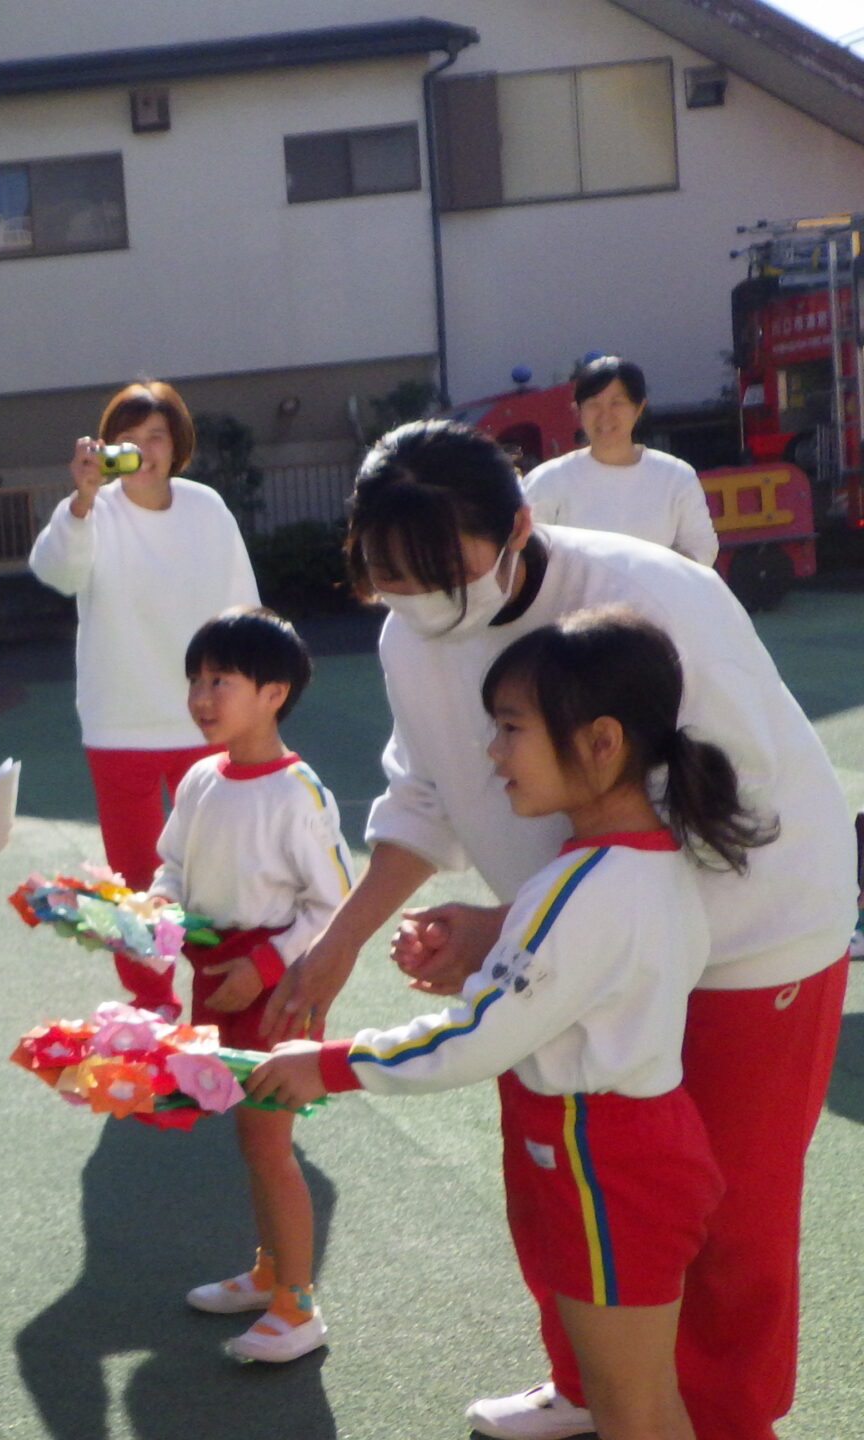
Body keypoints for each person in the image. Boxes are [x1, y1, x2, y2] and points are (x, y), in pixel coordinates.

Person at [260, 421, 855, 1440]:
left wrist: (514, 927)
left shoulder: (650, 598)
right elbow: (425, 791)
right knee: (559, 1177)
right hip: (559, 941)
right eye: (386, 574)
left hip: (753, 942)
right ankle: (589, 1385)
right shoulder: (410, 638)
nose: (415, 599)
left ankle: (726, 1419)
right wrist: (340, 941)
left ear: (520, 529)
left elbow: (730, 814)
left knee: (729, 1217)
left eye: (437, 572)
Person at [136, 608, 352, 1364]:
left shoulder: (298, 792)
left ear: (274, 693)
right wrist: (156, 910)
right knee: (250, 1140)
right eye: (195, 680)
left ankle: (298, 1307)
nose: (201, 696)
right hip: (215, 976)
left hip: (278, 989)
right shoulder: (201, 778)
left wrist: (263, 969)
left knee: (269, 1143)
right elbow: (171, 865)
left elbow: (334, 905)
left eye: (219, 681)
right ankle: (268, 1274)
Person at [27, 380, 261, 980]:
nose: (143, 450)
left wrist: (248, 704)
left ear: (177, 444)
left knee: (215, 875)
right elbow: (54, 571)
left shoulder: (206, 507)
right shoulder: (92, 510)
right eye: (127, 438)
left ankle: (219, 989)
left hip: (204, 723)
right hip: (118, 724)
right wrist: (81, 500)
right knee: (133, 881)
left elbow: (244, 608)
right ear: (107, 448)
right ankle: (149, 1005)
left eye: (156, 436)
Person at [521, 357, 719, 565]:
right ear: (578, 411)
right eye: (594, 404)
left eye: (617, 403)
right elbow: (526, 556)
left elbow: (701, 547)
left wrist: (658, 574)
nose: (605, 415)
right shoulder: (547, 480)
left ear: (639, 408)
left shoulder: (676, 477)